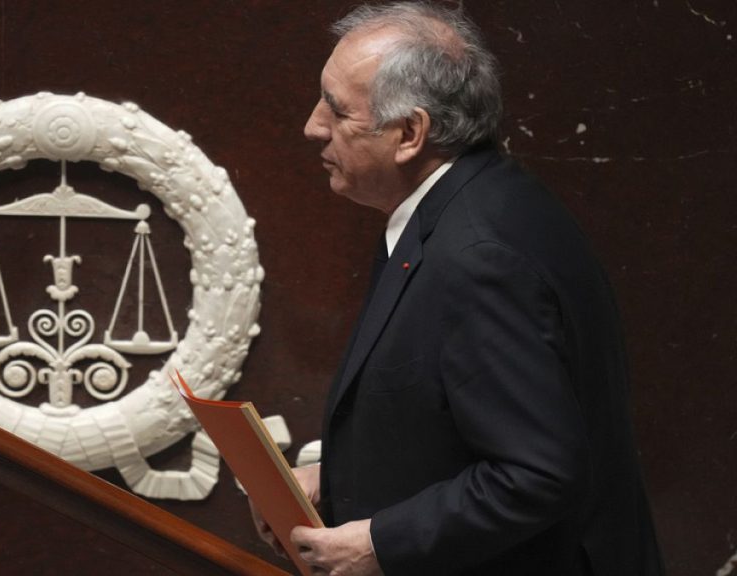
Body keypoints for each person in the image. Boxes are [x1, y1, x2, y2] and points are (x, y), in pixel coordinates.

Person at [250, 2, 664, 575]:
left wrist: (381, 544)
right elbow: (451, 423)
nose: (313, 125)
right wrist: (337, 478)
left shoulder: (479, 257)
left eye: (338, 110)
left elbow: (535, 474)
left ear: (409, 133)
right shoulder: (470, 203)